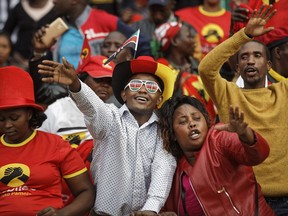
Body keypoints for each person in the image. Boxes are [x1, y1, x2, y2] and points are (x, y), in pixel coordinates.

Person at [38, 56, 177, 215]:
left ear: (159, 99)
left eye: (151, 87)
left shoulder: (164, 131)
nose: (143, 90)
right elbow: (94, 108)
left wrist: (151, 208)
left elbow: (164, 168)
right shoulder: (111, 119)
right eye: (136, 85)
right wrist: (76, 84)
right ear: (124, 94)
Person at [198, 5, 288, 215]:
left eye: (257, 55)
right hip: (244, 198)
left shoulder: (284, 91)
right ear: (238, 67)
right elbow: (206, 68)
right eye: (244, 57)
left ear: (268, 65)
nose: (250, 60)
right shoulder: (227, 93)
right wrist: (244, 35)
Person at [0, 66, 95, 215]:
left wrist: (61, 214)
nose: (7, 125)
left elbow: (87, 193)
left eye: (14, 118)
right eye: (1, 119)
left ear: (29, 114)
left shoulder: (55, 144)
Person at [158, 96, 275, 215]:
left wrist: (245, 134)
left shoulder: (219, 138)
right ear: (172, 134)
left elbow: (259, 155)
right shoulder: (171, 168)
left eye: (197, 118)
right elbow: (163, 207)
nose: (192, 123)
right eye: (183, 121)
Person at [51, 0, 151, 69]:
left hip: (99, 89)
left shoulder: (104, 20)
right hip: (62, 88)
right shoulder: (56, 26)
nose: (53, 1)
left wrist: (133, 74)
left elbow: (141, 43)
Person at [154, 20, 217, 123]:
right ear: (174, 41)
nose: (194, 41)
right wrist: (176, 89)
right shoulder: (161, 67)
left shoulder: (200, 65)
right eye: (189, 37)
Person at [2, 0, 56, 70]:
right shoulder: (20, 7)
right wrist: (13, 53)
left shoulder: (54, 7)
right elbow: (6, 33)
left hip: (44, 62)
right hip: (19, 61)